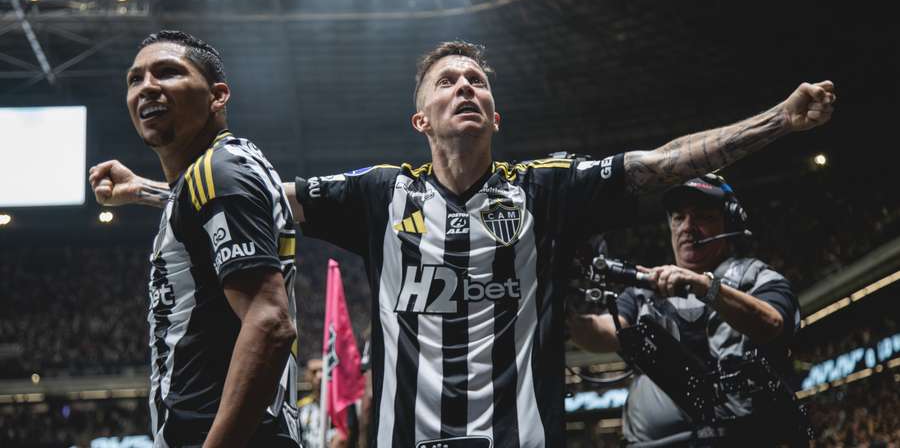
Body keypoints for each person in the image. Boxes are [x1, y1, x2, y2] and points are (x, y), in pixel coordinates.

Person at [90, 40, 835, 447]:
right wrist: (145, 192)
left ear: (496, 116)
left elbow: (658, 164)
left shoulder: (545, 190)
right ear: (421, 121)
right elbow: (254, 206)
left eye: (477, 80)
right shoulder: (379, 194)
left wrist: (779, 120)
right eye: (447, 82)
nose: (465, 88)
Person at [88, 30, 300, 448]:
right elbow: (200, 205)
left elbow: (270, 323)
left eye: (168, 72)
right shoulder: (223, 169)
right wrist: (142, 190)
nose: (147, 86)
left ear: (217, 96)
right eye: (135, 78)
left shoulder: (220, 172)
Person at [568, 174, 801, 446]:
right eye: (679, 218)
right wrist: (565, 316)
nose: (687, 227)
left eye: (702, 217)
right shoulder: (644, 292)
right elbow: (605, 331)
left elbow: (772, 323)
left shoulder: (756, 277)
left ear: (730, 224)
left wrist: (705, 286)